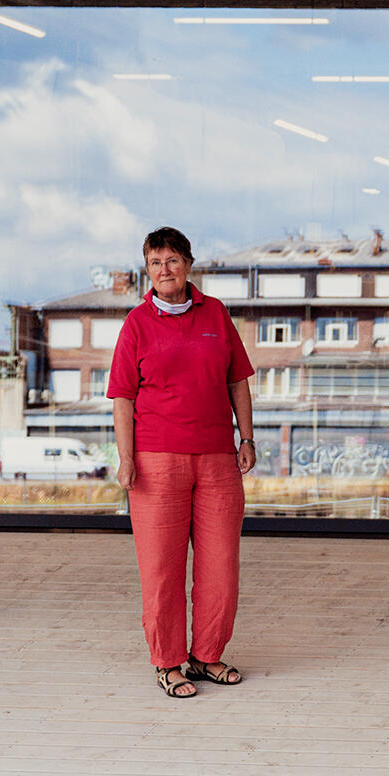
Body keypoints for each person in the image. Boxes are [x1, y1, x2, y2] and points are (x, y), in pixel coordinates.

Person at [108, 226, 256, 698]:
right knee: (162, 569)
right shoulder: (136, 324)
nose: (164, 270)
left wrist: (246, 437)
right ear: (146, 271)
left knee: (220, 566)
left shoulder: (216, 313)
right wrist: (126, 458)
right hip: (157, 462)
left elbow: (238, 382)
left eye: (172, 260)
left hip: (217, 460)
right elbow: (122, 400)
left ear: (189, 264)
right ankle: (168, 661)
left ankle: (207, 655)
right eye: (155, 263)